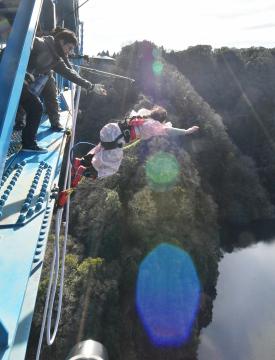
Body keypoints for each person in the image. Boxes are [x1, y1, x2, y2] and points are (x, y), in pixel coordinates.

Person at [20, 28, 107, 153]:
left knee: (35, 106)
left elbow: (70, 74)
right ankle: (28, 143)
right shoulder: (39, 43)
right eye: (69, 48)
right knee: (35, 107)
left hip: (20, 85)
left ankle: (27, 141)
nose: (69, 52)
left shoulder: (56, 59)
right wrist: (22, 72)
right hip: (12, 81)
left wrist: (91, 86)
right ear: (61, 41)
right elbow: (17, 48)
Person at [71, 106, 199, 187]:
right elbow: (169, 130)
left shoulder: (142, 114)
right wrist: (186, 131)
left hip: (110, 130)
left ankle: (80, 162)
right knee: (112, 167)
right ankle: (85, 171)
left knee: (101, 149)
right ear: (161, 119)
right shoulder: (154, 125)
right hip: (117, 139)